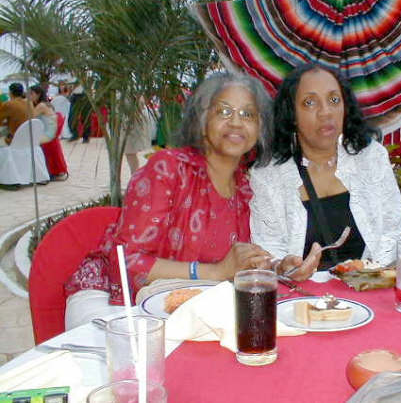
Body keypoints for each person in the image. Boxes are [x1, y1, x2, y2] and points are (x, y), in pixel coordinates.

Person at [64, 72, 274, 328]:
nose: (236, 122)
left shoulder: (246, 189)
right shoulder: (168, 169)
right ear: (201, 119)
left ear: (260, 129)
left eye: (248, 114)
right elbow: (126, 262)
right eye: (224, 111)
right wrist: (216, 272)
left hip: (183, 303)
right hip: (111, 298)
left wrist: (275, 266)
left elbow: (235, 266)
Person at [250, 63, 401, 282]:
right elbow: (268, 248)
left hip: (368, 288)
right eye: (310, 102)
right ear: (292, 114)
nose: (325, 112)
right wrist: (282, 267)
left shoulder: (371, 158)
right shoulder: (269, 175)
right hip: (300, 294)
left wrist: (369, 274)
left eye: (334, 100)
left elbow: (392, 230)